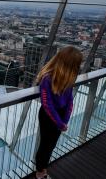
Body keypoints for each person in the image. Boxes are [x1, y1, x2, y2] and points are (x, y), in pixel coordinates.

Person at [34, 46, 83, 179]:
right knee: (45, 144)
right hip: (48, 116)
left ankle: (43, 167)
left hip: (59, 116)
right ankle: (40, 172)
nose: (78, 67)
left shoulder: (68, 77)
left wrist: (64, 121)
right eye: (76, 65)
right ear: (69, 64)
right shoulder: (47, 79)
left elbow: (69, 100)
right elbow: (47, 105)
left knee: (51, 144)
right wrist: (61, 122)